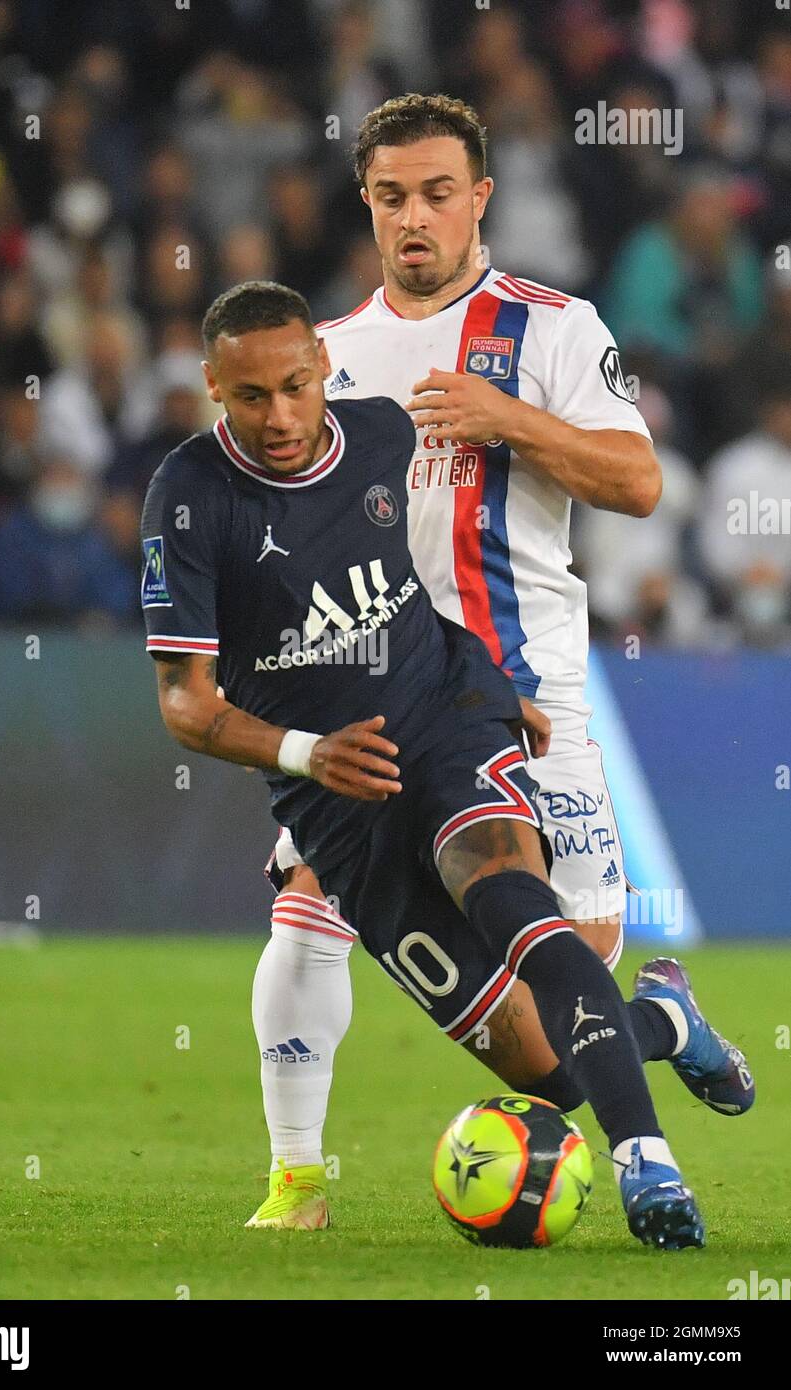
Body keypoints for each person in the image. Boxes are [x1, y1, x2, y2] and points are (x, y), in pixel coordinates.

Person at [248, 95, 753, 1228]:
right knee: (303, 906)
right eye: (390, 198)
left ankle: (659, 1017)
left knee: (560, 1046)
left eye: (437, 193)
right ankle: (294, 1182)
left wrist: (504, 418)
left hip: (533, 702)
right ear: (367, 206)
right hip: (379, 713)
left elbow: (634, 482)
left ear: (479, 198)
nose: (414, 218)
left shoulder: (553, 327)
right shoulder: (323, 359)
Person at [141, 280, 715, 1249]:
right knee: (551, 1071)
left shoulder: (377, 437)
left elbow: (407, 585)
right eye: (251, 397)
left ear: (324, 368)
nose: (279, 416)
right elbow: (187, 708)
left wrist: (490, 686)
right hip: (334, 790)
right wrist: (306, 754)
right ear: (212, 389)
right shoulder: (188, 499)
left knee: (505, 887)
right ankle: (661, 1018)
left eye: (294, 386)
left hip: (443, 719)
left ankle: (647, 1168)